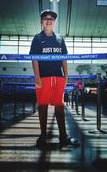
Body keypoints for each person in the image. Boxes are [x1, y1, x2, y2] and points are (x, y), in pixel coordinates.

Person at [29, 9, 78, 147]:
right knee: (43, 106)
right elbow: (34, 59)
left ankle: (63, 136)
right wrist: (37, 77)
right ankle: (43, 136)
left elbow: (64, 58)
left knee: (60, 106)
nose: (49, 20)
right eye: (46, 18)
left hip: (58, 77)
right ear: (41, 22)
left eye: (51, 18)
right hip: (43, 77)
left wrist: (66, 74)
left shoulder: (60, 38)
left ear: (54, 22)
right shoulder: (37, 38)